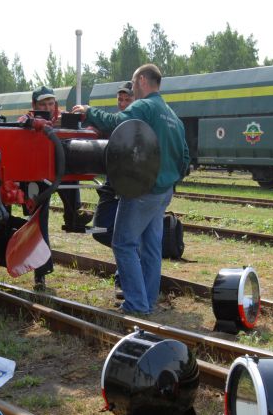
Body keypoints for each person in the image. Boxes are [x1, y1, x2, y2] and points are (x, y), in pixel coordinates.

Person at [73, 65, 189, 315]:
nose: (132, 88)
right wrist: (169, 179)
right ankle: (147, 301)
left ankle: (136, 304)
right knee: (151, 247)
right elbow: (186, 157)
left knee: (123, 243)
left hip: (143, 190)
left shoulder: (145, 107)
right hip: (163, 192)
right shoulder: (173, 116)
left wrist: (89, 112)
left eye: (134, 82)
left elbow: (117, 121)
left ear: (143, 80)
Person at [18, 86, 92, 288]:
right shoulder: (27, 119)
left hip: (60, 173)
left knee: (72, 182)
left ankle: (74, 215)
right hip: (37, 176)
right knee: (39, 223)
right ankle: (40, 274)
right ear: (34, 106)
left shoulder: (63, 119)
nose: (48, 108)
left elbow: (83, 129)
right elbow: (21, 124)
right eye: (43, 104)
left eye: (51, 104)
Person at [92, 81, 135, 299]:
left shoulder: (137, 122)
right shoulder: (114, 123)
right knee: (102, 230)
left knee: (122, 235)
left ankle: (123, 280)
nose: (123, 103)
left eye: (127, 99)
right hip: (112, 185)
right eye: (120, 99)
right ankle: (131, 268)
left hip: (129, 186)